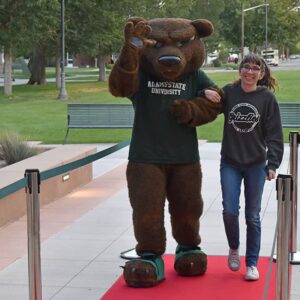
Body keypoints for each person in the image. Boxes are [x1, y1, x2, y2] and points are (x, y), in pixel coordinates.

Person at [208, 53, 284, 281]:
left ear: (261, 74)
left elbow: (274, 134)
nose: (250, 72)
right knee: (230, 211)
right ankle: (234, 248)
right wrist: (206, 93)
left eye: (255, 69)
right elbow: (208, 107)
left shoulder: (267, 98)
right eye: (246, 67)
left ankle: (251, 263)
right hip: (230, 162)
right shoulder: (229, 92)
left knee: (253, 216)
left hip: (256, 164)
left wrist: (273, 163)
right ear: (239, 70)